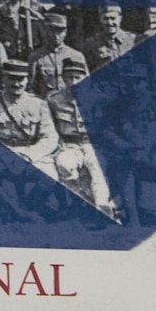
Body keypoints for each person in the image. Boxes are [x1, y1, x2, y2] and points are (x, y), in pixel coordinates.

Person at [0, 59, 59, 172]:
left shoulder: (38, 104)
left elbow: (49, 137)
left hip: (30, 153)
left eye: (21, 79)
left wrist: (29, 155)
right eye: (11, 79)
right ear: (3, 79)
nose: (16, 84)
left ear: (27, 80)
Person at [45, 58, 109, 209]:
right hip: (69, 145)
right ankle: (76, 202)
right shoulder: (54, 99)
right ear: (63, 78)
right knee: (64, 165)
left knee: (99, 169)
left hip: (93, 144)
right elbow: (50, 126)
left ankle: (103, 208)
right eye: (69, 77)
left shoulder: (97, 98)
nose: (74, 82)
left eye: (78, 77)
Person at [29, 9, 87, 98]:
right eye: (52, 30)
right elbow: (31, 88)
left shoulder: (76, 56)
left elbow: (87, 84)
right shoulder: (36, 57)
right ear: (45, 31)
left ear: (66, 32)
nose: (56, 35)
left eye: (60, 31)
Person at [82, 5, 134, 72]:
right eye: (105, 19)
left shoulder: (132, 40)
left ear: (120, 18)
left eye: (113, 18)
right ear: (100, 19)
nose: (109, 23)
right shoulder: (91, 44)